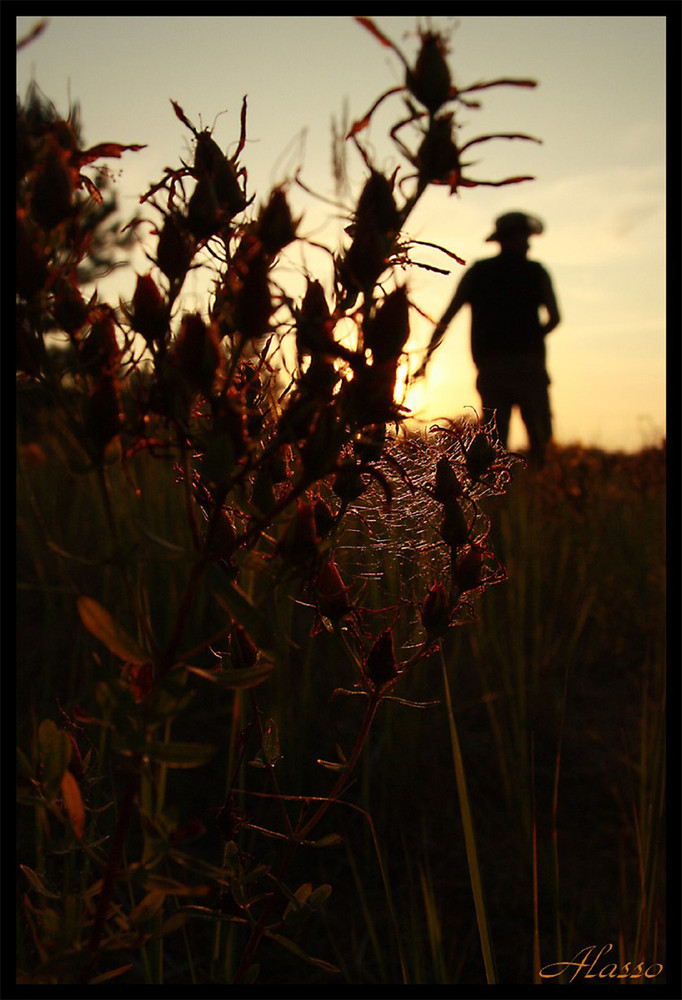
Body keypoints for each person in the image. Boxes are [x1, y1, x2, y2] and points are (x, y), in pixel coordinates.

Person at [419, 211, 561, 465]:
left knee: (494, 445)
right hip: (527, 368)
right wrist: (532, 336)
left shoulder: (479, 272)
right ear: (513, 239)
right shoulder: (536, 272)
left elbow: (446, 318)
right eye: (524, 237)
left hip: (494, 369)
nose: (528, 244)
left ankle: (502, 498)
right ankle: (534, 494)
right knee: (538, 442)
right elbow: (555, 318)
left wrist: (426, 358)